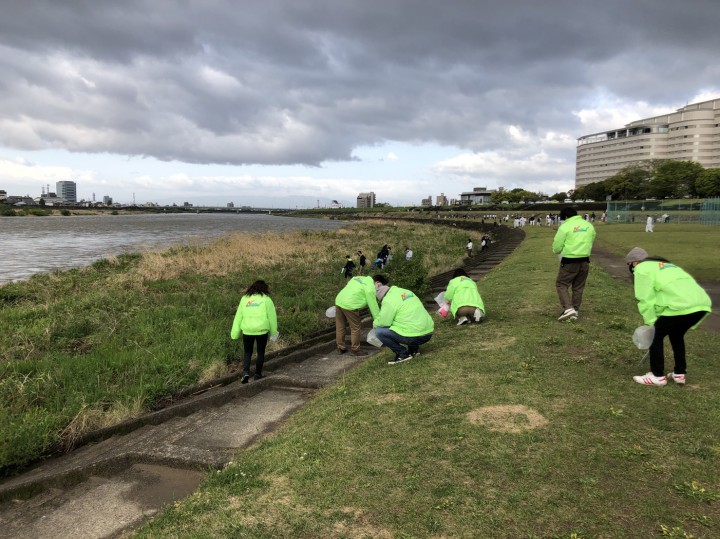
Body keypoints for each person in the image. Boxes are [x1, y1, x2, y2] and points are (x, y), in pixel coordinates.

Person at [626, 247, 712, 387]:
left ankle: (657, 376)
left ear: (634, 262)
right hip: (701, 305)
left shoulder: (641, 269)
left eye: (629, 265)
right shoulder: (667, 265)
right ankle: (679, 373)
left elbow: (645, 298)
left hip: (680, 307)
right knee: (676, 335)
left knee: (655, 336)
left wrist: (650, 324)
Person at [373, 275, 434, 364]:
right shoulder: (405, 291)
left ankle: (402, 353)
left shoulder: (388, 301)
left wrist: (375, 323)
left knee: (379, 331)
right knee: (405, 320)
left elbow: (383, 323)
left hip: (416, 336)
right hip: (428, 332)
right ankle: (414, 350)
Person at [551, 207, 596, 321]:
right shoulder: (588, 225)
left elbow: (557, 247)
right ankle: (575, 311)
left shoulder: (565, 226)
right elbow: (592, 238)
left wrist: (558, 251)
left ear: (565, 216)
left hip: (570, 260)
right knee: (578, 286)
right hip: (585, 260)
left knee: (561, 284)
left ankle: (568, 308)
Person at [230, 280, 278, 383]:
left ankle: (246, 373)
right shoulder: (266, 300)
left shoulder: (244, 299)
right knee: (260, 352)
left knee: (248, 352)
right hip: (261, 331)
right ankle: (257, 374)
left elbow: (238, 317)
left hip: (247, 331)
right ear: (264, 289)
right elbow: (272, 318)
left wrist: (235, 333)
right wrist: (274, 333)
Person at [335, 275, 381, 356]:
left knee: (340, 326)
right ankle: (355, 349)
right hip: (350, 305)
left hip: (339, 300)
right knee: (355, 327)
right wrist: (378, 321)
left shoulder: (358, 278)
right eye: (379, 285)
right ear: (377, 282)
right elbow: (373, 306)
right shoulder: (370, 287)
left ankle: (340, 347)